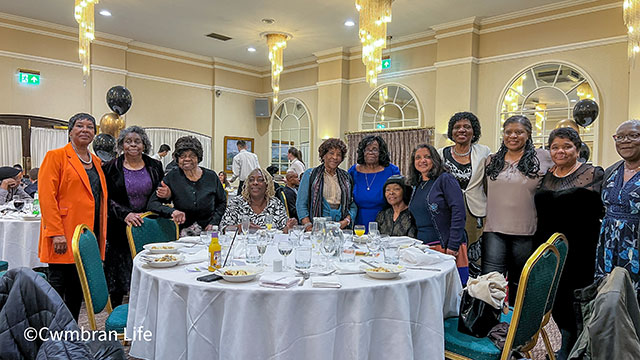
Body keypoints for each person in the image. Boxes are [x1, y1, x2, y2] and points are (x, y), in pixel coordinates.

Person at [534, 127, 604, 360]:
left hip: (580, 249)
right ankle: (557, 345)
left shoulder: (593, 173)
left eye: (566, 146)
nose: (560, 151)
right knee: (554, 299)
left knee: (576, 300)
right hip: (548, 248)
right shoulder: (546, 174)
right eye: (555, 147)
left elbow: (602, 211)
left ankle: (576, 349)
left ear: (578, 148)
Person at [38, 113, 108, 321]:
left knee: (79, 284)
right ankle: (52, 333)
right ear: (70, 132)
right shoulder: (56, 156)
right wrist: (55, 233)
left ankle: (71, 329)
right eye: (79, 126)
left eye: (90, 127)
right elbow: (46, 197)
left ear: (95, 134)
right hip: (64, 231)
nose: (85, 130)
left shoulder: (96, 162)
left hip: (87, 235)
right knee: (59, 284)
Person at [482, 115, 552, 298]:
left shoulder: (543, 157)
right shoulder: (491, 160)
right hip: (494, 230)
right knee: (490, 283)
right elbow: (483, 190)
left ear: (528, 134)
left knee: (521, 285)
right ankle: (489, 324)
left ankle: (516, 325)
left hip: (526, 232)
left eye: (519, 132)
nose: (513, 136)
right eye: (508, 132)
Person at [102, 126, 164, 307]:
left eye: (137, 141)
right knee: (118, 280)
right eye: (128, 141)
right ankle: (116, 315)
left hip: (148, 226)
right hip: (119, 228)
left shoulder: (155, 166)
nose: (133, 145)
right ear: (121, 145)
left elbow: (160, 194)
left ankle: (149, 311)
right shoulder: (110, 167)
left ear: (144, 145)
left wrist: (166, 193)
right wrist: (126, 214)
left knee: (149, 273)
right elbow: (106, 199)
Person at [408, 143, 467, 282]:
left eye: (427, 157)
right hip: (424, 249)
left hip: (446, 247)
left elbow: (458, 212)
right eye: (418, 158)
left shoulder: (445, 179)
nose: (422, 161)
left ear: (435, 159)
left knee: (451, 293)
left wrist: (453, 245)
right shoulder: (416, 185)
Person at [596, 119, 640, 301]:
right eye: (619, 137)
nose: (625, 141)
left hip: (636, 245)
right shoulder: (610, 171)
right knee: (610, 300)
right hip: (609, 246)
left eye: (633, 136)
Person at [148, 136, 227, 236]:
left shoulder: (211, 176)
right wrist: (172, 211)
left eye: (192, 156)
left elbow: (222, 202)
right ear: (177, 159)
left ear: (198, 158)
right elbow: (152, 203)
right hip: (183, 235)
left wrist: (214, 222)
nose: (187, 159)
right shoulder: (172, 177)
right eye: (182, 156)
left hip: (209, 231)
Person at [438, 112, 491, 261]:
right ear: (451, 132)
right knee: (450, 253)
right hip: (448, 210)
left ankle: (474, 284)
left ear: (474, 131)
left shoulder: (483, 152)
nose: (462, 130)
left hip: (475, 211)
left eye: (467, 127)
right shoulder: (440, 154)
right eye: (457, 127)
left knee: (474, 256)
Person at [297, 138, 356, 229]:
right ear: (323, 155)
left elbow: (352, 204)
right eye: (331, 153)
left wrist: (346, 221)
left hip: (341, 227)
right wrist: (308, 225)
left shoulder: (346, 177)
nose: (335, 157)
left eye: (339, 155)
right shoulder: (310, 174)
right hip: (316, 227)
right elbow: (301, 203)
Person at [348, 135, 400, 230]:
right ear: (362, 152)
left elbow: (400, 198)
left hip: (385, 220)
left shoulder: (392, 170)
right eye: (367, 149)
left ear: (381, 152)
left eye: (375, 149)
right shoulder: (353, 171)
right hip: (358, 221)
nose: (371, 152)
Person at [221, 168, 296, 232]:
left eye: (260, 180)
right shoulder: (237, 203)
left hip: (269, 247)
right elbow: (224, 228)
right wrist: (240, 227)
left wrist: (289, 226)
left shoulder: (275, 204)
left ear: (267, 184)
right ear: (247, 184)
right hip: (241, 247)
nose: (255, 183)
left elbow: (283, 231)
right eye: (251, 180)